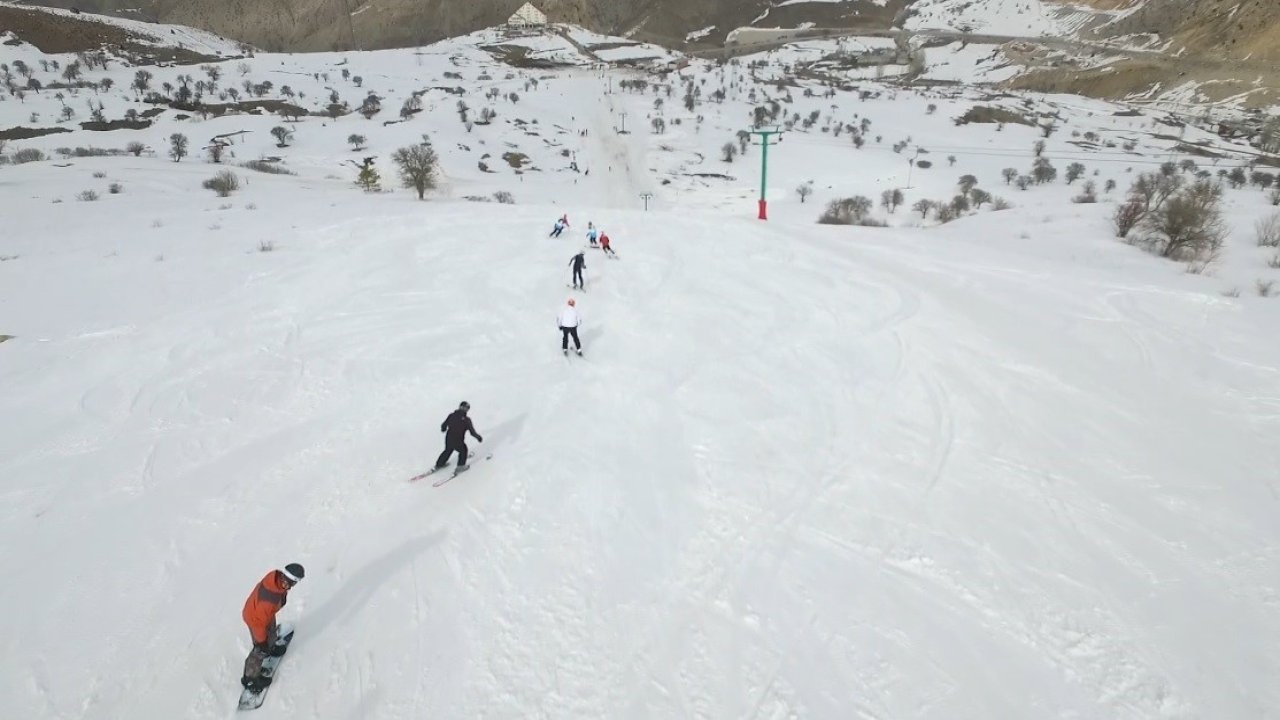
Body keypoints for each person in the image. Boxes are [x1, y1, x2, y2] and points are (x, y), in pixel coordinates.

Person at [241, 563, 304, 693]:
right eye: (289, 582)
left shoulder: (276, 581)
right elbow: (259, 623)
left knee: (271, 632)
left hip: (264, 614)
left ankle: (271, 646)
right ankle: (250, 678)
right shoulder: (268, 601)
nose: (289, 586)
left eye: (292, 583)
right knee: (260, 650)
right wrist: (262, 642)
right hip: (255, 619)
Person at [436, 401, 483, 470]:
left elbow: (444, 425)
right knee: (463, 450)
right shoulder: (466, 420)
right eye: (465, 407)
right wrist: (478, 437)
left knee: (448, 450)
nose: (466, 409)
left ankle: (440, 464)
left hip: (448, 438)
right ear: (461, 407)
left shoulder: (451, 415)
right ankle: (461, 466)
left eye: (467, 408)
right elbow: (472, 432)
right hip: (458, 440)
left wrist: (443, 429)